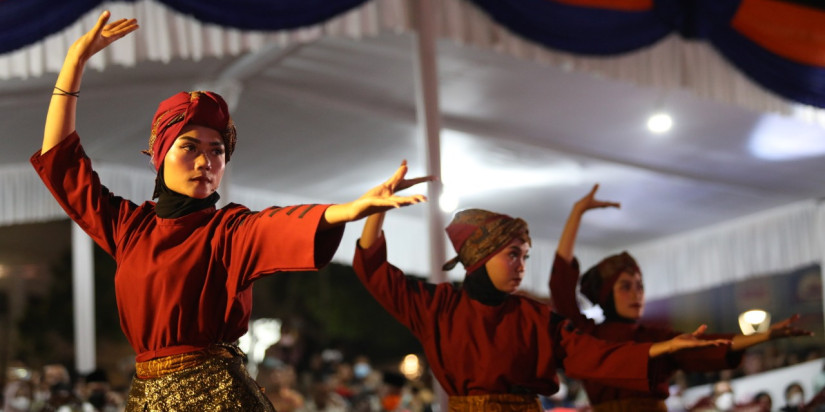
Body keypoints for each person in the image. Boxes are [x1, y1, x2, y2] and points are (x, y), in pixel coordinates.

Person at [33, 11, 427, 411]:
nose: (206, 161)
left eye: (216, 150)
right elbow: (62, 165)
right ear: (159, 156)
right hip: (145, 399)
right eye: (190, 147)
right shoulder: (129, 228)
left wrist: (348, 210)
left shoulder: (229, 230)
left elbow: (279, 227)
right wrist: (73, 65)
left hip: (216, 400)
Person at [352, 180, 732, 411]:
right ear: (480, 258)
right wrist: (376, 210)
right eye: (513, 255)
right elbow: (374, 271)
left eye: (525, 256)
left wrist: (661, 349)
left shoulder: (537, 318)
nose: (521, 265)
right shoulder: (437, 307)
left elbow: (593, 355)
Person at [550, 184, 814, 411]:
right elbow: (561, 286)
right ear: (605, 294)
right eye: (626, 286)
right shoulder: (589, 335)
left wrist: (764, 335)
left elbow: (708, 345)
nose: (636, 294)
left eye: (640, 286)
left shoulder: (655, 336)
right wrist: (577, 213)